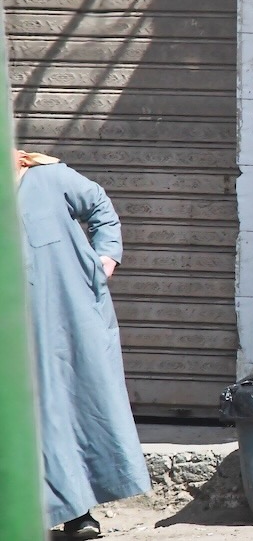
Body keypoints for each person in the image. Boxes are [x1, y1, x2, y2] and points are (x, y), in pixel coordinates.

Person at [15, 150, 150, 538]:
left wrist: (105, 258)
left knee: (68, 412)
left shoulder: (50, 179)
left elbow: (100, 208)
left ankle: (78, 516)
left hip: (66, 325)